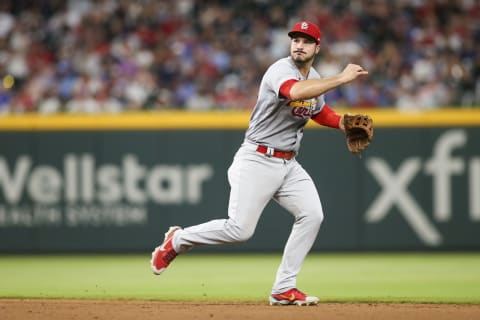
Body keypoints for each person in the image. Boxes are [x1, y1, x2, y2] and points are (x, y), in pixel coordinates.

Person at [150, 21, 368, 306]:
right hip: (257, 158)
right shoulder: (280, 71)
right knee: (239, 230)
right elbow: (296, 93)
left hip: (288, 164)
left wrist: (341, 122)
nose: (299, 45)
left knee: (312, 215)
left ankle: (283, 288)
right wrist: (341, 78)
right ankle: (178, 240)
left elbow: (317, 109)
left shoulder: (314, 77)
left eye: (306, 41)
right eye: (295, 39)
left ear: (317, 47)